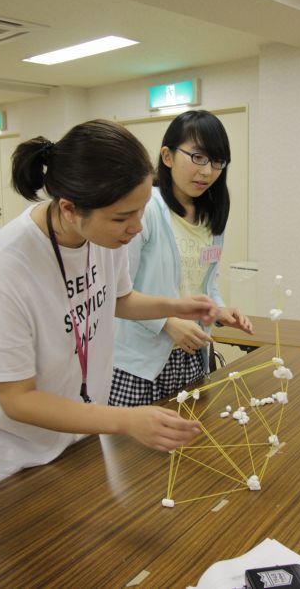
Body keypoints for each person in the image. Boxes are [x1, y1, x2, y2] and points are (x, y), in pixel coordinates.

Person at [0, 119, 215, 497]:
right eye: (122, 217)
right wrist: (126, 420)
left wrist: (178, 306)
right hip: (2, 444)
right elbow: (16, 399)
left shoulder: (102, 239)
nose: (137, 227)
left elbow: (118, 299)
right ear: (69, 208)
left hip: (70, 426)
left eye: (141, 210)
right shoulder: (8, 264)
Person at [111, 110, 252, 406]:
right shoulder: (146, 210)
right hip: (141, 362)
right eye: (197, 157)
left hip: (192, 354)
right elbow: (118, 293)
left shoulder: (212, 218)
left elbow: (205, 282)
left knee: (191, 446)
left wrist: (221, 310)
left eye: (217, 162)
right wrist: (167, 323)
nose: (207, 172)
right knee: (138, 452)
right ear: (168, 156)